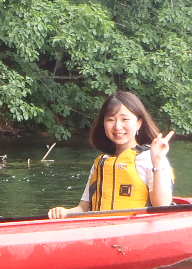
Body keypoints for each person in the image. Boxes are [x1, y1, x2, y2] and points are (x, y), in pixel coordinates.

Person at [47, 91, 174, 219]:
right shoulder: (101, 162)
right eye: (111, 120)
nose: (117, 126)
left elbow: (162, 205)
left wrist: (157, 161)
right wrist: (63, 212)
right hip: (102, 231)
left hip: (135, 231)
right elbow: (83, 209)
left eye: (125, 119)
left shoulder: (151, 157)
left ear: (138, 123)